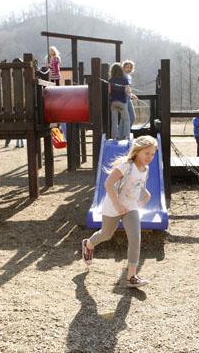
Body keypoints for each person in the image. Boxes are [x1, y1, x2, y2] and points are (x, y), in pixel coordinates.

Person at [81, 135, 157, 288]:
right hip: (113, 206)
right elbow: (108, 183)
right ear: (137, 151)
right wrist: (116, 205)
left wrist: (145, 195)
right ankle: (88, 244)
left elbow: (138, 185)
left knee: (135, 238)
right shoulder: (126, 165)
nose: (150, 157)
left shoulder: (145, 168)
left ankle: (131, 277)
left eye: (153, 154)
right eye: (146, 153)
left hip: (130, 208)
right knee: (106, 234)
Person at [108, 62, 131, 140]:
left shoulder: (110, 80)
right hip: (122, 102)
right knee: (126, 119)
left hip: (113, 102)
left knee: (114, 120)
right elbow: (128, 91)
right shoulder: (124, 80)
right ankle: (126, 135)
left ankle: (114, 136)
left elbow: (109, 91)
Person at [122, 60, 139, 133]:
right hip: (124, 99)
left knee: (128, 118)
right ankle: (124, 132)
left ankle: (124, 132)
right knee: (131, 117)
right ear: (123, 68)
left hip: (128, 98)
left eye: (130, 68)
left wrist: (132, 95)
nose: (129, 69)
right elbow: (126, 89)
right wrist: (131, 95)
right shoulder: (124, 76)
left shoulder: (128, 77)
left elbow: (128, 89)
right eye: (127, 67)